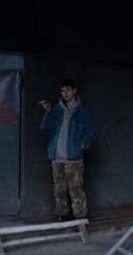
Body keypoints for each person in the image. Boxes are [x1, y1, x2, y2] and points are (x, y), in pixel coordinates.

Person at [39, 78, 96, 221]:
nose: (65, 93)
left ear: (74, 91)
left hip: (74, 158)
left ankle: (80, 218)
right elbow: (44, 128)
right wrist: (48, 112)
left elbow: (91, 131)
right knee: (59, 190)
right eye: (63, 90)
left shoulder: (82, 112)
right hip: (57, 157)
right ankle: (62, 215)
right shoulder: (57, 109)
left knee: (76, 189)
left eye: (68, 90)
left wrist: (82, 144)